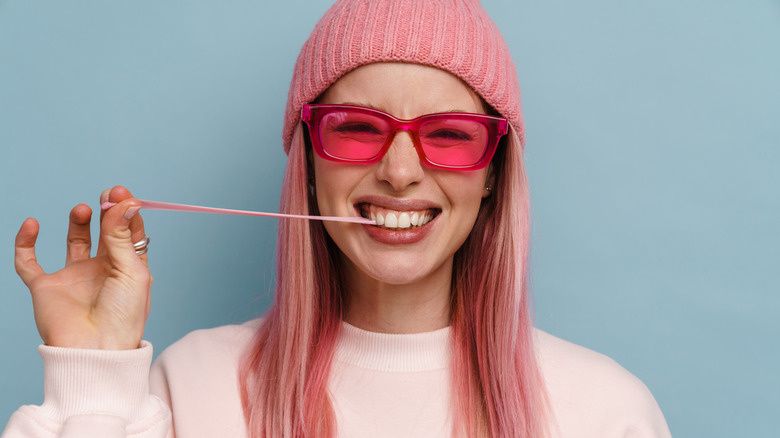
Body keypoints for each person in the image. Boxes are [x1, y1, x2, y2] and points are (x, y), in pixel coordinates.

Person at [4, 0, 672, 437]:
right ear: (308, 160)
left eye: (449, 134)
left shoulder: (604, 411)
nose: (401, 171)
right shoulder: (190, 386)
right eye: (356, 128)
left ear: (495, 171)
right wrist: (93, 372)